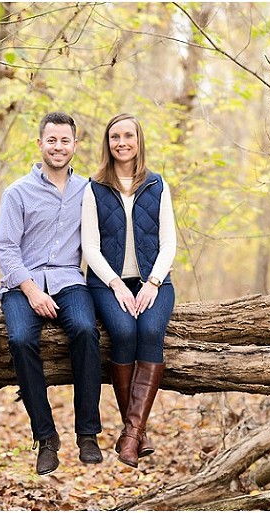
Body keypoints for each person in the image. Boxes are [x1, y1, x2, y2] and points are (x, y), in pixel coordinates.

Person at [0, 112, 103, 475]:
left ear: (75, 145)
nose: (59, 147)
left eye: (65, 141)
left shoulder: (89, 191)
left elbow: (103, 241)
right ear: (40, 144)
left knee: (87, 331)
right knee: (22, 339)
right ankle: (45, 438)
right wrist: (31, 292)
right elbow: (6, 249)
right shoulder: (17, 192)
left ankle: (88, 434)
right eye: (52, 140)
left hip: (69, 280)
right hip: (21, 284)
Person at [81, 112, 176, 468]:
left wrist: (152, 282)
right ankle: (136, 434)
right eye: (114, 137)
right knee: (122, 331)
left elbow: (169, 243)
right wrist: (116, 284)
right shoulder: (95, 187)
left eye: (128, 136)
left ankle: (131, 434)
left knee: (150, 329)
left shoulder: (157, 185)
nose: (121, 143)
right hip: (106, 282)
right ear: (107, 144)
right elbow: (89, 246)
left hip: (154, 281)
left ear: (139, 141)